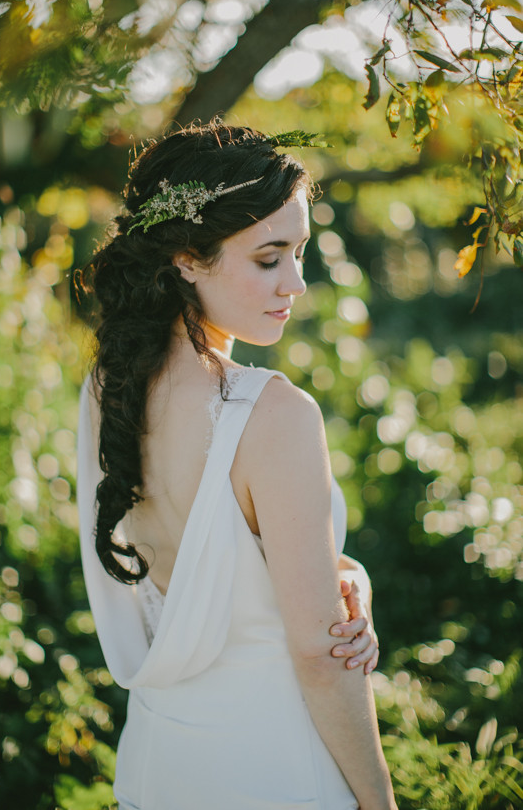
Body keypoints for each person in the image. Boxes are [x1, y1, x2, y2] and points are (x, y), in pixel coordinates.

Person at [76, 120, 398, 810]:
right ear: (187, 257)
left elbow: (223, 562)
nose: (297, 283)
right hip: (274, 773)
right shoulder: (274, 416)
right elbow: (318, 654)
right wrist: (380, 800)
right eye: (268, 257)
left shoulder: (111, 386)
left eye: (300, 252)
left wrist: (343, 574)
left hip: (158, 769)